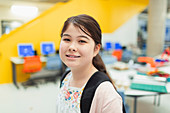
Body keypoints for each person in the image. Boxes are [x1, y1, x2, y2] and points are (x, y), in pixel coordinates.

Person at [57, 14, 123, 113]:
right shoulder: (66, 78)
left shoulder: (106, 93)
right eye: (67, 39)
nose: (72, 47)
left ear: (96, 49)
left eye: (82, 41)